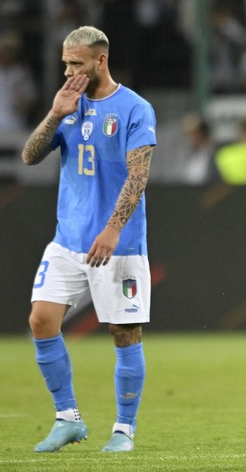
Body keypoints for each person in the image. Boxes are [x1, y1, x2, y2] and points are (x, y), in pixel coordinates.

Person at [22, 25, 156, 453]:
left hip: (118, 245)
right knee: (41, 320)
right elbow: (30, 155)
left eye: (76, 64)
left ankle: (124, 430)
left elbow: (139, 175)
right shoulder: (68, 105)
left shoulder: (135, 108)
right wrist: (56, 112)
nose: (68, 72)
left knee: (123, 331)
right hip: (67, 240)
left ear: (100, 60)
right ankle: (67, 419)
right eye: (65, 64)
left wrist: (113, 228)